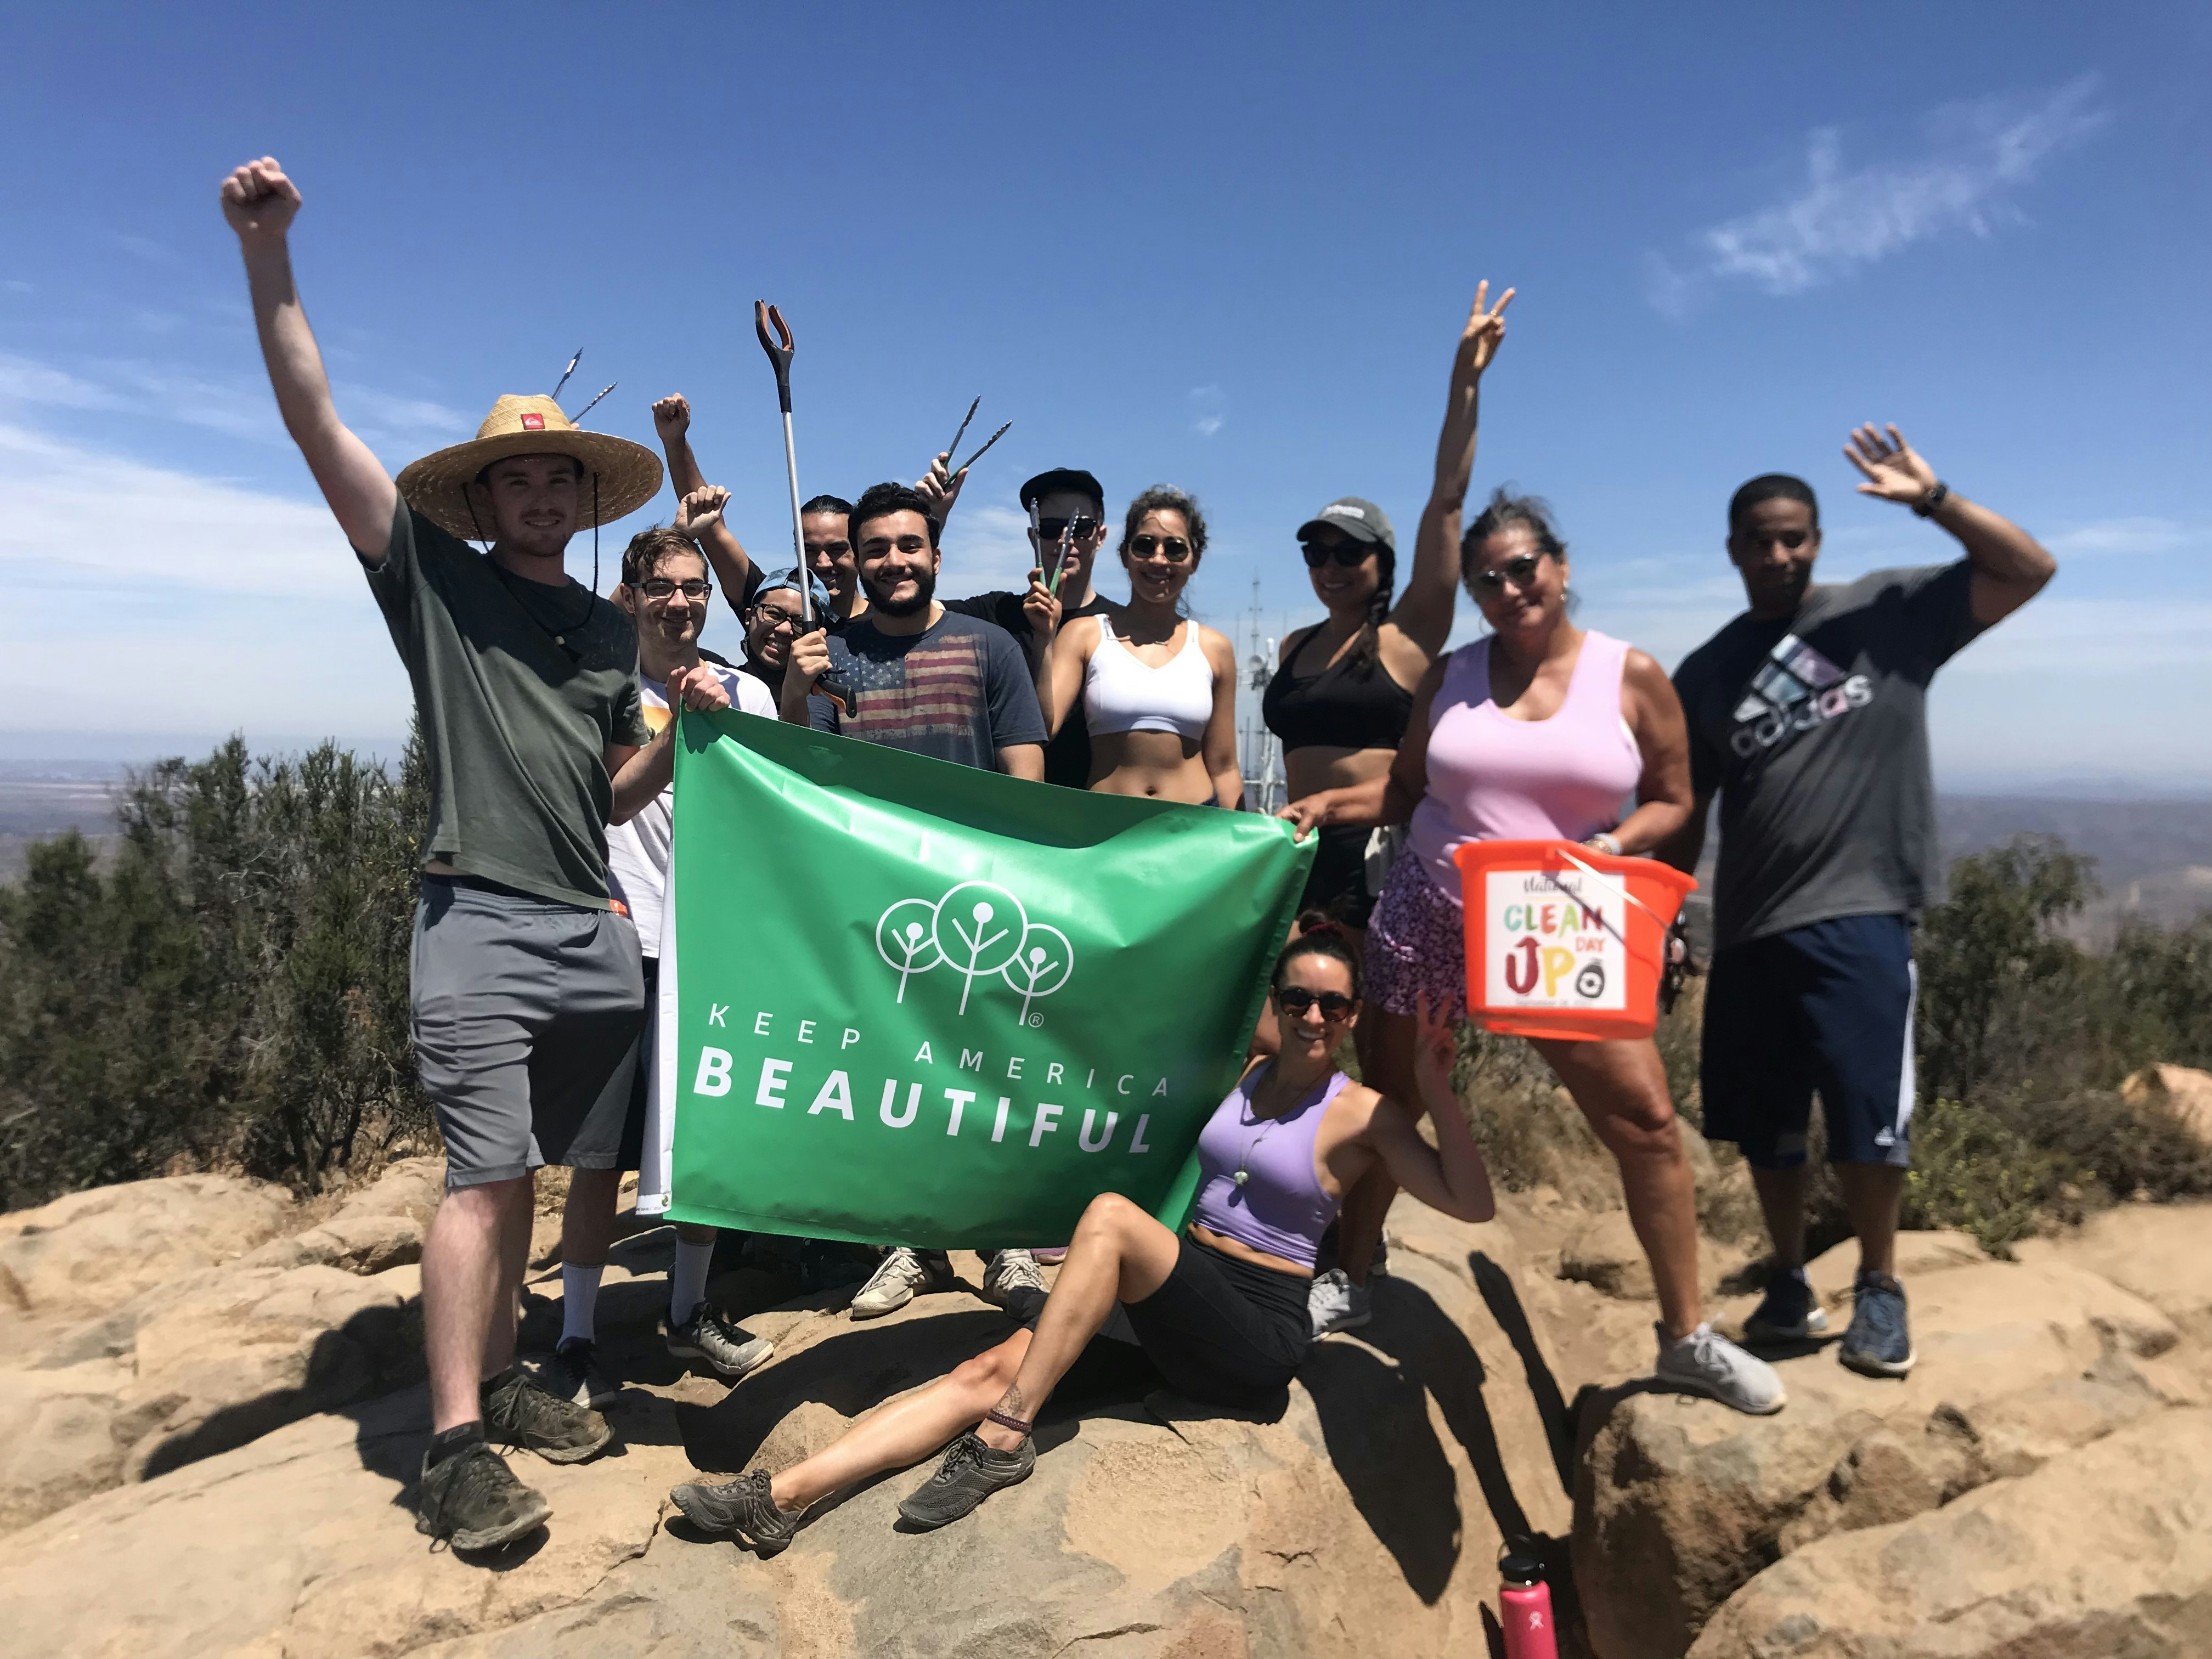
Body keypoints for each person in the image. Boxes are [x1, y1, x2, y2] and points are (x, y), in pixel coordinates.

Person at [219, 156, 735, 1551]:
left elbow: (605, 794)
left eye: (560, 474)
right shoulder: (432, 585)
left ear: (584, 493)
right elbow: (315, 422)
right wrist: (268, 253)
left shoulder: (605, 633)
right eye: (516, 476)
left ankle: (504, 1382)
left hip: (590, 930)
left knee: (554, 1178)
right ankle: (453, 1447)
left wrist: (675, 741)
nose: (540, 493)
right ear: (485, 494)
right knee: (480, 1176)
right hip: (480, 919)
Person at [665, 927, 1495, 1550]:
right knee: (981, 1370)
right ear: (1278, 1005)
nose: (1314, 1016)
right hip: (1179, 1297)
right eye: (1297, 999)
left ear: (1353, 1016)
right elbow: (1221, 949)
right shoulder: (1247, 1074)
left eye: (1334, 1005)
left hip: (1252, 1330)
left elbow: (1470, 1204)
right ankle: (781, 1499)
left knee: (1108, 1219)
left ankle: (1006, 1438)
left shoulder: (1364, 1113)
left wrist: (1434, 1088)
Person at [1281, 491, 1785, 1414]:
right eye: (1488, 576)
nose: (1510, 587)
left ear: (1557, 564)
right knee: (1389, 1101)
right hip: (1432, 905)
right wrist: (1326, 808)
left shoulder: (1627, 675)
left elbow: (1675, 797)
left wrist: (1619, 844)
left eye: (1525, 567)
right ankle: (1354, 1273)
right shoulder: (1451, 674)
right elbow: (1402, 790)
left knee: (1641, 1119)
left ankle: (1686, 1334)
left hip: (1558, 920)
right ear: (1473, 588)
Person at [1664, 428, 2057, 1379]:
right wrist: (1669, 913)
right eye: (1759, 540)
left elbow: (2027, 567)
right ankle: (1791, 1279)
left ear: (1817, 537)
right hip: (1752, 922)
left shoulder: (1889, 610)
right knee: (1765, 1122)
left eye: (1794, 536)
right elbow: (1685, 807)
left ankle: (1879, 1283)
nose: (1778, 555)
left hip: (1862, 909)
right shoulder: (1707, 669)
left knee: (1865, 1115)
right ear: (1731, 549)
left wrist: (1933, 498)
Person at [778, 479, 1052, 1318]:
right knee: (896, 1075)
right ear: (854, 561)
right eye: (876, 550)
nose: (894, 561)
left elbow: (1026, 776)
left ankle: (1005, 1239)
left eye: (908, 546)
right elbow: (798, 775)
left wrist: (1017, 877)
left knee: (982, 1074)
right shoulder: (831, 654)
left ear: (936, 553)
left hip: (975, 899)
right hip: (877, 900)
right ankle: (915, 1246)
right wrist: (796, 688)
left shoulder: (990, 647)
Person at [546, 519, 780, 1407]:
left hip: (715, 943)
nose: (681, 602)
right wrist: (675, 722)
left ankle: (688, 1312)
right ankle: (574, 1335)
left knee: (701, 1142)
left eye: (694, 587)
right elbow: (599, 806)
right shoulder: (599, 689)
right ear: (633, 595)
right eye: (664, 587)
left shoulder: (747, 694)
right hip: (624, 937)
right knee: (600, 1152)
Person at [1265, 283, 1514, 931]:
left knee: (1382, 1034)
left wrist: (1466, 381)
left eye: (1349, 553)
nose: (1331, 567)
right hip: (1295, 858)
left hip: (1380, 859)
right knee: (1289, 1027)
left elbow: (1449, 497)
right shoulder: (1295, 648)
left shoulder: (1409, 636)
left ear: (1383, 563)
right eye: (1316, 554)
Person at [1028, 486, 1242, 806]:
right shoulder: (1084, 634)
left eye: (1175, 549)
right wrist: (1044, 637)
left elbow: (1224, 767)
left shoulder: (1216, 648)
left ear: (1193, 561)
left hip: (1194, 828)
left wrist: (1241, 844)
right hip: (1107, 827)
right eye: (1145, 546)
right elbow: (1043, 728)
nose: (1159, 559)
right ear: (1124, 555)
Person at [931, 466, 1120, 788]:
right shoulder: (998, 613)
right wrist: (934, 520)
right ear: (1034, 536)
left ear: (1100, 537)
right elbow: (915, 610)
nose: (1065, 539)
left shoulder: (1123, 628)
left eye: (1080, 528)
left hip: (1094, 815)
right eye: (1049, 528)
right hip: (1010, 811)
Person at [733, 565, 836, 702]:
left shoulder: (828, 705)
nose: (785, 629)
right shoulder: (717, 684)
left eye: (800, 622)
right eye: (774, 614)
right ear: (749, 616)